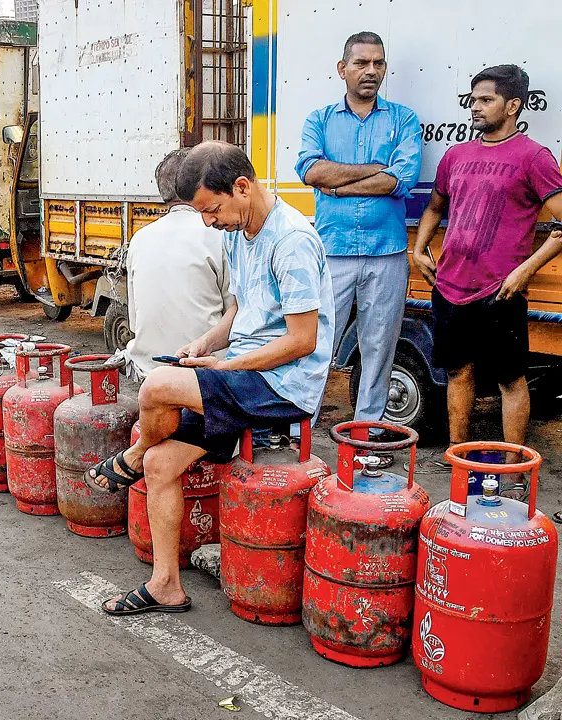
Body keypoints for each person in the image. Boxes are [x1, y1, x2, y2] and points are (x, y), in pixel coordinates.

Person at [87, 142, 334, 615]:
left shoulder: (292, 241)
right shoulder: (237, 233)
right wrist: (206, 344)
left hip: (283, 386)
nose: (209, 221)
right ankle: (165, 586)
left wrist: (227, 367)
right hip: (243, 372)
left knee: (156, 387)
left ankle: (132, 455)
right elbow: (240, 308)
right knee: (163, 466)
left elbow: (303, 341)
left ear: (242, 187)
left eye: (212, 209)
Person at [414, 64, 562, 472]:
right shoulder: (457, 154)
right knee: (458, 371)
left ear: (513, 104)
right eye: (473, 100)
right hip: (450, 286)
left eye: (486, 100)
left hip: (500, 291)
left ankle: (516, 466)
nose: (475, 108)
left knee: (510, 379)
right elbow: (435, 206)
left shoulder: (534, 157)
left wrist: (525, 271)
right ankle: (456, 454)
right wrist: (420, 249)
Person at [296, 32, 423, 440]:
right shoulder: (319, 119)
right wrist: (374, 168)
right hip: (332, 251)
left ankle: (367, 433)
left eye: (378, 63)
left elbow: (399, 178)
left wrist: (338, 183)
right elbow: (311, 171)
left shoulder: (403, 119)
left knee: (379, 348)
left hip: (387, 253)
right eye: (362, 63)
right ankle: (301, 426)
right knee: (314, 343)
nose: (371, 71)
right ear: (342, 69)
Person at [122, 148, 234, 381]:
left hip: (148, 372)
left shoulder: (139, 238)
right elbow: (236, 316)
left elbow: (135, 321)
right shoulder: (219, 233)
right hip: (204, 373)